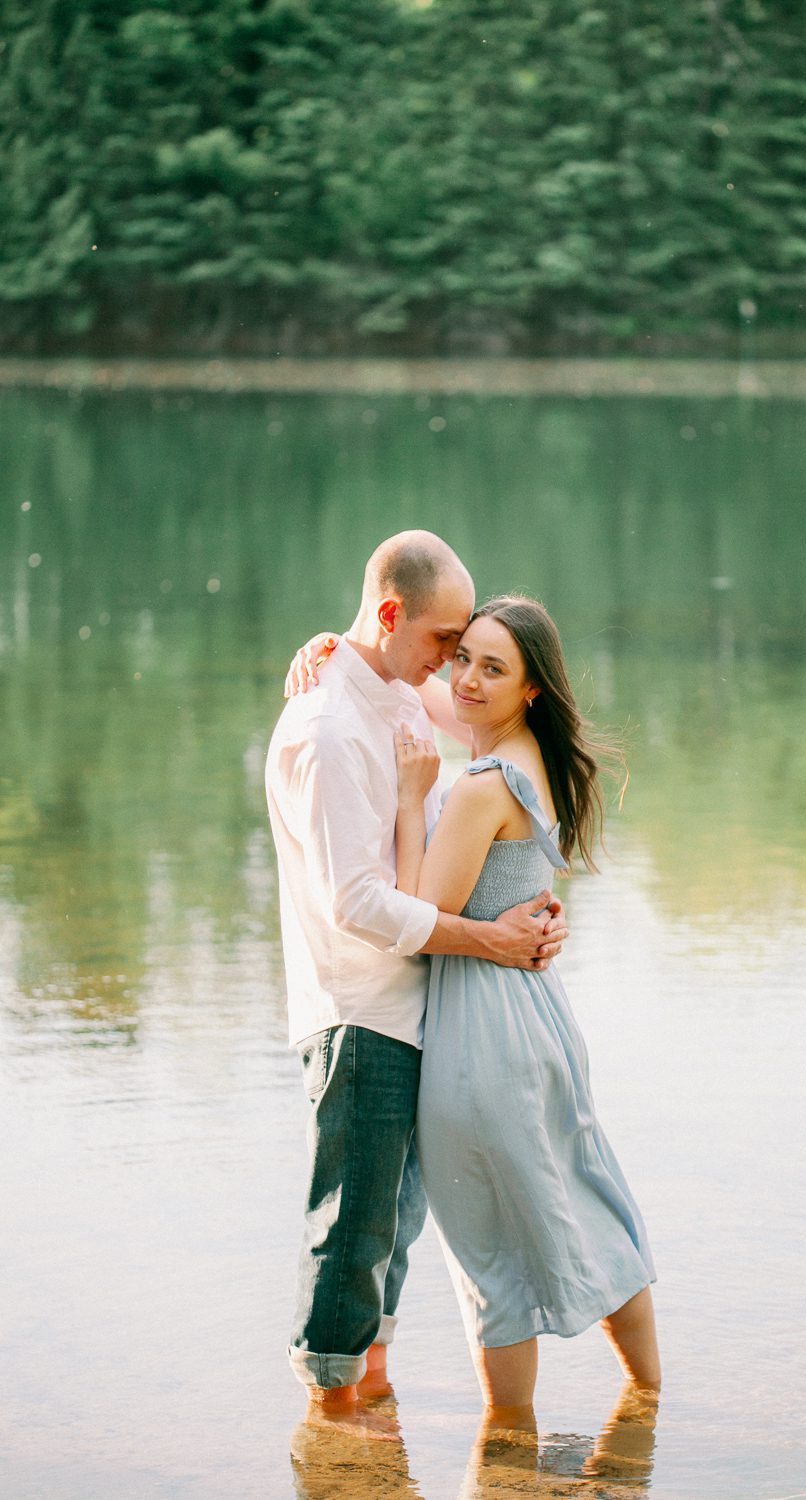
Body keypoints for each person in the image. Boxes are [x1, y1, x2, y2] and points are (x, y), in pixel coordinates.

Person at [291, 594, 659, 1418]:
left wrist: (415, 794)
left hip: (481, 1030)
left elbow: (422, 913)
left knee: (488, 1247)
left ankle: (506, 1442)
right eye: (462, 657)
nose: (464, 678)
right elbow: (415, 690)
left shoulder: (482, 783)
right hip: (541, 1019)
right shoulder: (535, 757)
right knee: (582, 1194)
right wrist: (338, 649)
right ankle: (649, 1397)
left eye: (493, 667)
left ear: (529, 687)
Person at [265, 532, 568, 1432]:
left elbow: (466, 809)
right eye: (444, 639)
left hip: (419, 1008)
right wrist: (489, 940)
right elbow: (357, 901)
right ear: (394, 617)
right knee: (351, 1227)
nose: (453, 660)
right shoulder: (326, 728)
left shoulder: (397, 693)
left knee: (394, 1230)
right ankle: (332, 1420)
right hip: (360, 1013)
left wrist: (532, 909)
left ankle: (373, 1396)